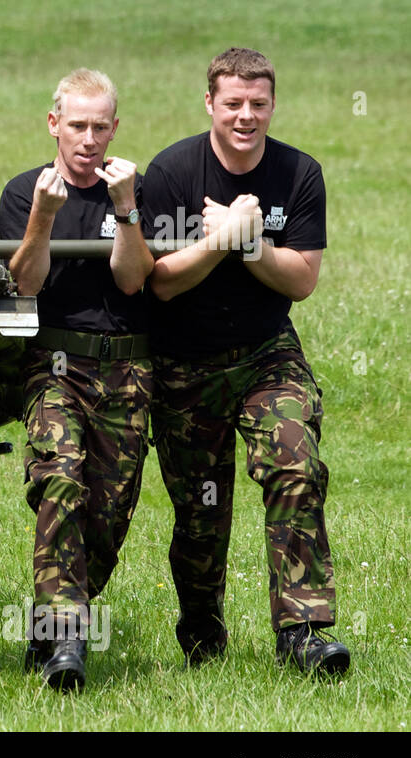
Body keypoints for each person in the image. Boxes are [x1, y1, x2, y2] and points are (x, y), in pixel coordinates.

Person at [143, 48, 348, 676]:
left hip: (266, 353)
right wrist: (218, 242)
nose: (245, 116)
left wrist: (252, 244)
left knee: (296, 464)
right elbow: (161, 283)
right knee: (201, 512)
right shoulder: (172, 172)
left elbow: (302, 280)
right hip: (185, 360)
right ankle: (202, 624)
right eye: (233, 103)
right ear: (210, 103)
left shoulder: (297, 173)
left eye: (258, 104)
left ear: (272, 104)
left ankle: (303, 632)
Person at [0, 69, 153, 692]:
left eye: (100, 126)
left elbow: (133, 280)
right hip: (55, 362)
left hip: (128, 366)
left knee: (108, 513)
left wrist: (126, 209)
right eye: (77, 126)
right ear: (53, 124)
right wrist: (43, 215)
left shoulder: (134, 188)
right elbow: (25, 282)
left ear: (115, 128)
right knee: (60, 481)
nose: (88, 139)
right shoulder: (26, 190)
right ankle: (67, 639)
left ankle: (52, 618)